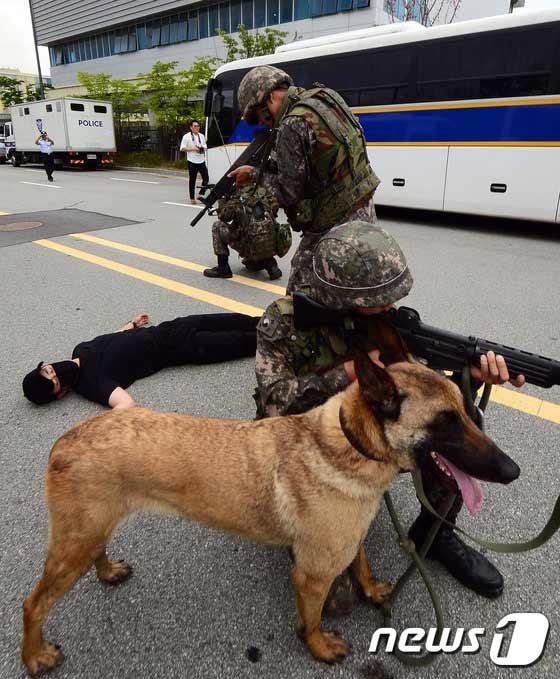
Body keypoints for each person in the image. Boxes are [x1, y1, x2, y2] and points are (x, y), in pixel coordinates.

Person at [254, 220, 525, 614]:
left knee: (462, 432)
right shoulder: (284, 320)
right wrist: (351, 375)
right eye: (378, 300)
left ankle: (434, 534)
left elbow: (421, 399)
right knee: (336, 602)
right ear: (342, 293)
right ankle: (305, 526)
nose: (389, 307)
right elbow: (276, 403)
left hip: (372, 437)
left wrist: (468, 376)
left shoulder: (383, 322)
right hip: (305, 447)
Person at [229, 65, 380, 293]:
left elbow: (288, 193)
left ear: (269, 98)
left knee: (299, 299)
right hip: (364, 210)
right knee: (355, 291)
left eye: (260, 116)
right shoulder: (325, 99)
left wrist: (252, 176)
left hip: (334, 222)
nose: (264, 123)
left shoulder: (292, 123)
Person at [23, 312, 259, 410]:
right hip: (183, 349)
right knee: (246, 341)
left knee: (239, 320)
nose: (54, 372)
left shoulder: (80, 349)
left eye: (47, 370)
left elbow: (112, 337)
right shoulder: (91, 384)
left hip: (171, 327)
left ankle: (285, 317)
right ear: (60, 393)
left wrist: (132, 324)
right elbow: (125, 405)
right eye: (52, 380)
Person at [203, 183, 290, 281]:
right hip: (270, 244)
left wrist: (223, 198)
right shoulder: (264, 191)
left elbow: (224, 216)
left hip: (249, 244)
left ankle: (223, 268)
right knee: (250, 263)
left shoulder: (238, 196)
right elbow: (275, 209)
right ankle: (270, 263)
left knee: (217, 226)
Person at [180, 119, 209, 205]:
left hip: (201, 160)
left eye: (198, 126)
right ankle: (192, 198)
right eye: (195, 126)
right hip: (192, 161)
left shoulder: (202, 136)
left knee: (206, 178)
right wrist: (194, 148)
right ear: (191, 127)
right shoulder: (186, 136)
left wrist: (201, 148)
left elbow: (205, 147)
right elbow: (182, 148)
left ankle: (200, 194)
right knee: (192, 180)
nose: (197, 128)